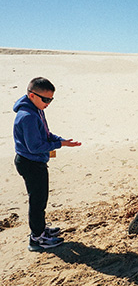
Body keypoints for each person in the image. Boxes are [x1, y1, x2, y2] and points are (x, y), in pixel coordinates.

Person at [13, 77, 82, 251]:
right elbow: (35, 146)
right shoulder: (27, 116)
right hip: (30, 163)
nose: (48, 103)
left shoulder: (36, 110)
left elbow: (45, 134)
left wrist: (62, 140)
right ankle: (36, 239)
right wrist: (60, 145)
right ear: (31, 96)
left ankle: (41, 230)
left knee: (41, 199)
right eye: (45, 99)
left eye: (51, 99)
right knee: (37, 201)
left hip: (35, 161)